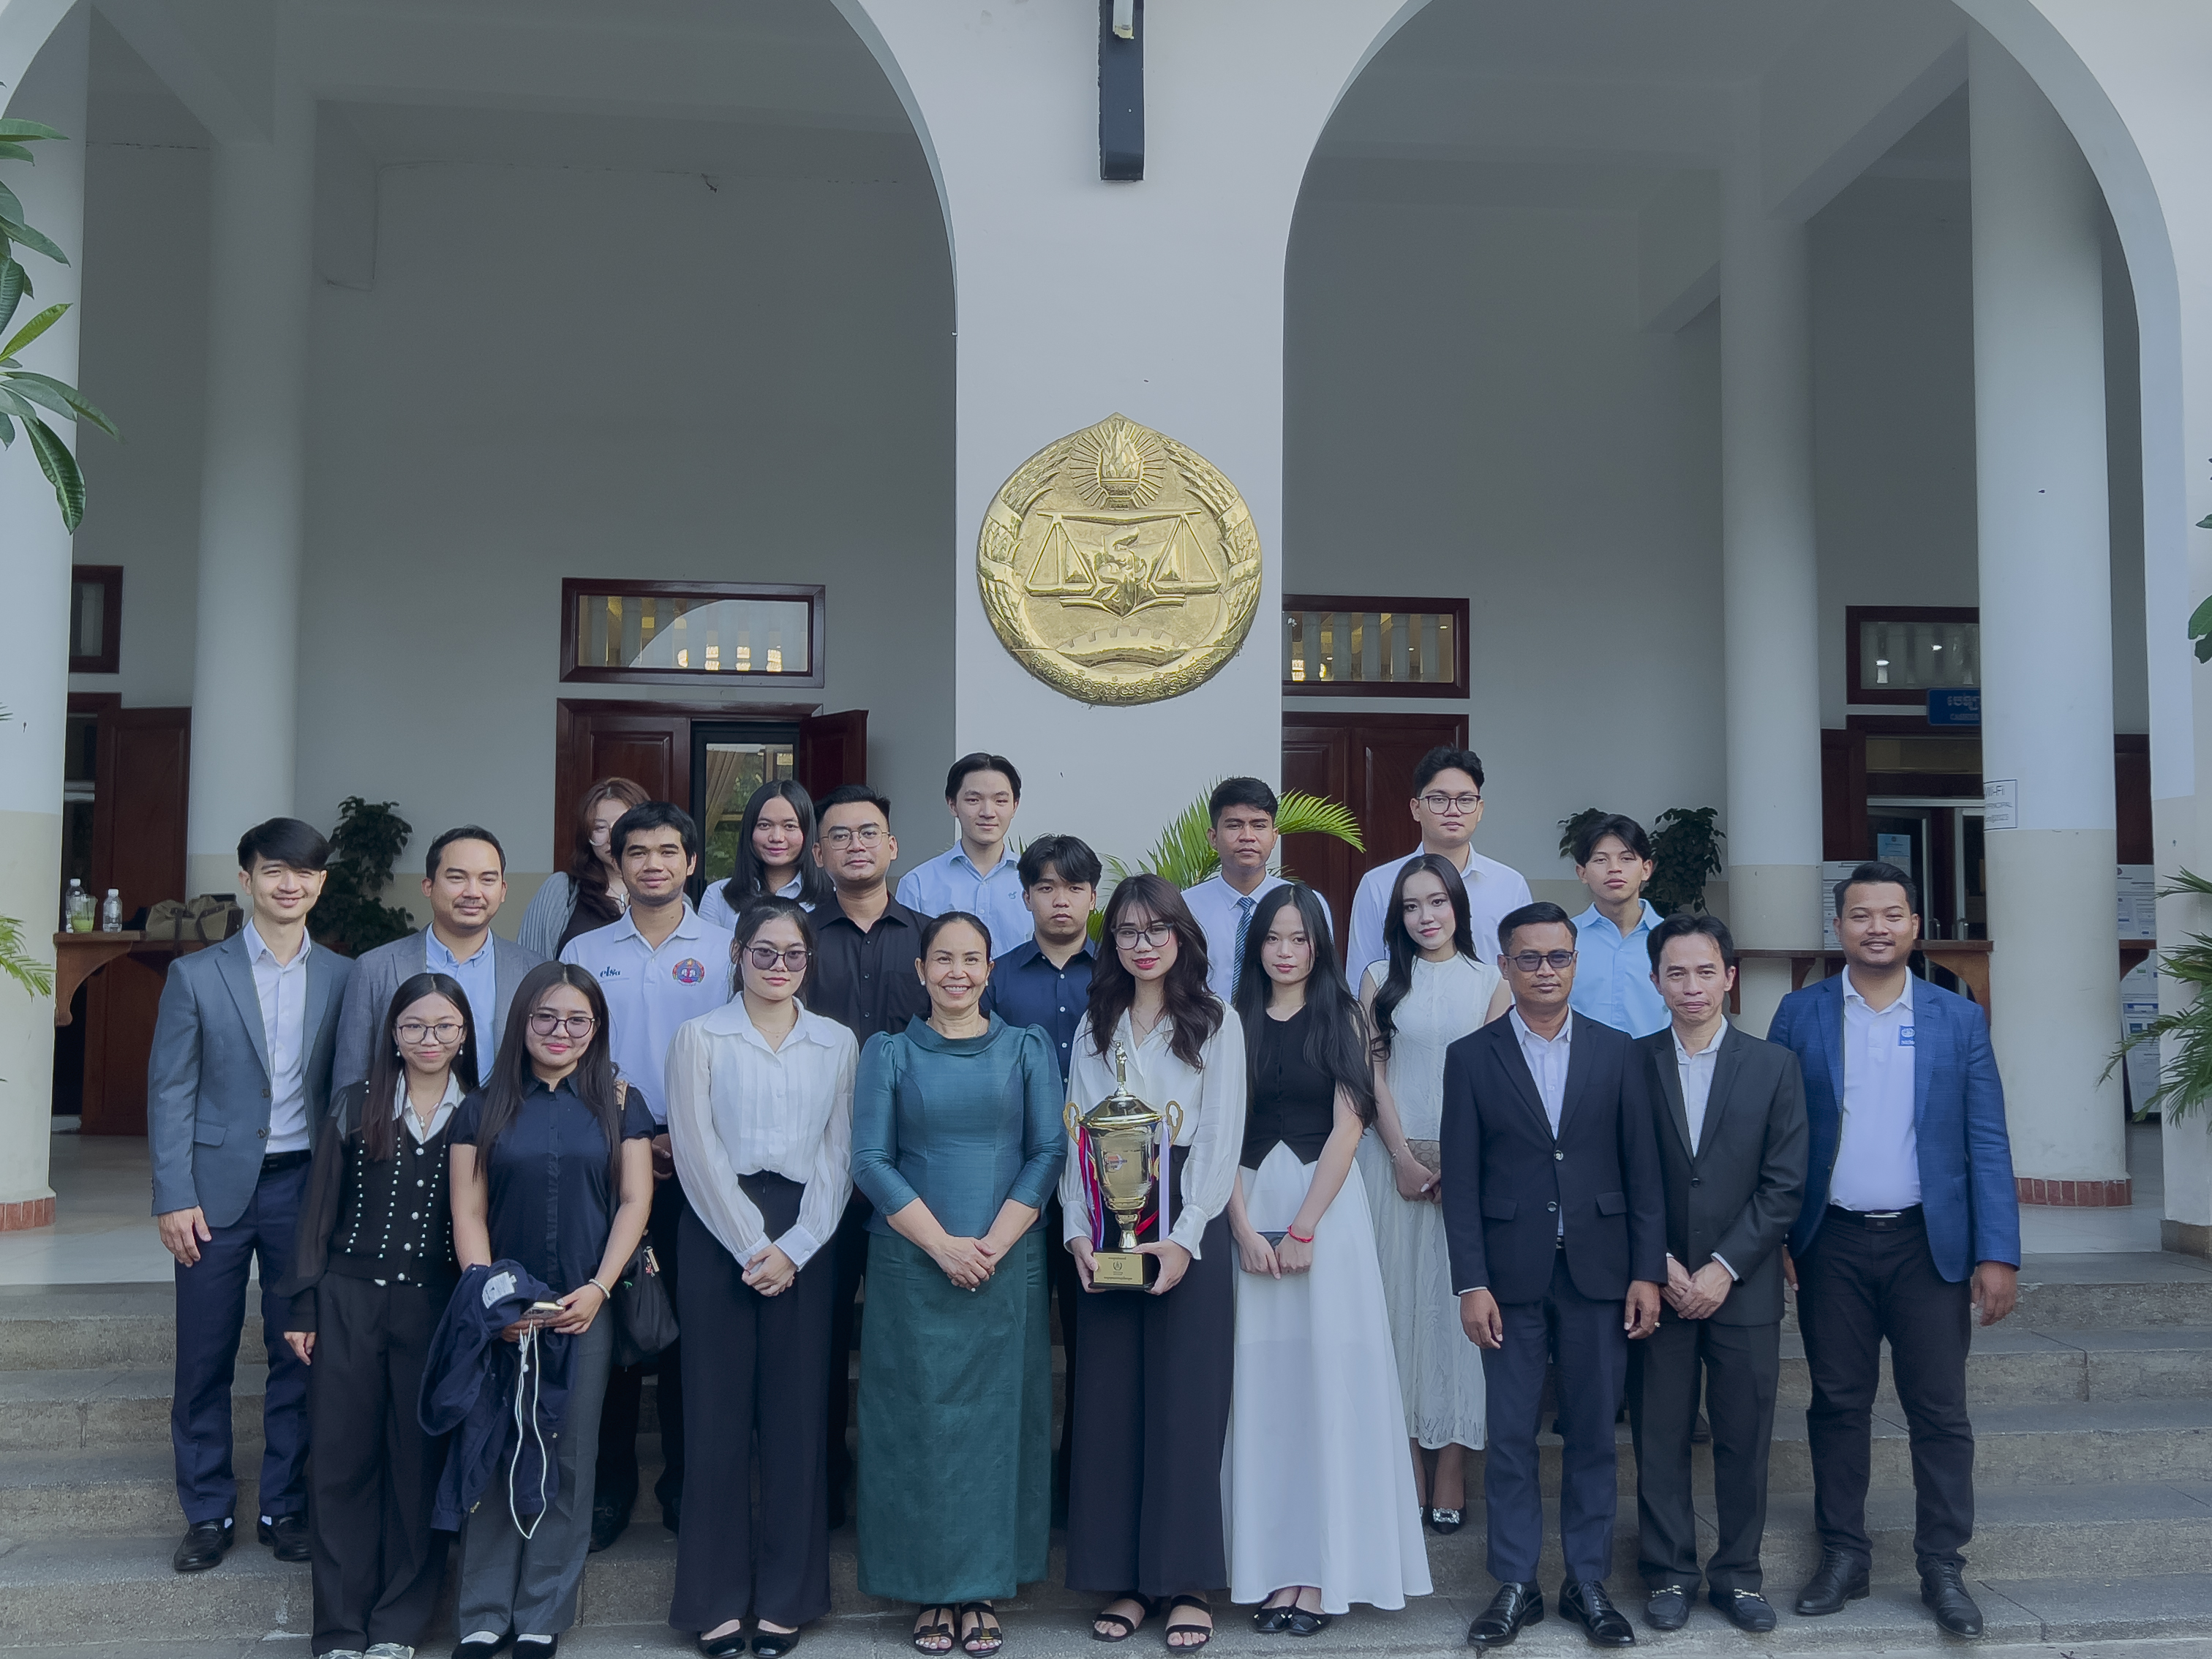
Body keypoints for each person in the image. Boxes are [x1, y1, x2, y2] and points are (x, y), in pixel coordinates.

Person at [1767, 862, 2020, 1639]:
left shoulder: (1957, 1018)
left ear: (1915, 925)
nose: (1876, 928)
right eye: (1860, 915)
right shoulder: (1800, 1013)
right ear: (1838, 927)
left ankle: (1942, 1565)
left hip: (1927, 1244)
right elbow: (1775, 1133)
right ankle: (1844, 1555)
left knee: (1939, 1411)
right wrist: (1779, 1234)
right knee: (1838, 1404)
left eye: (1891, 914)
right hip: (1831, 1241)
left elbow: (1986, 1139)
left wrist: (1998, 1253)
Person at [1440, 901, 1664, 1650]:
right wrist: (1470, 1281)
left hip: (1601, 1274)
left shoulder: (1618, 1051)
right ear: (1505, 966)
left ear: (1576, 962)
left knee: (1594, 1433)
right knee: (1510, 1435)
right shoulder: (1471, 1057)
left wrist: (1646, 1272)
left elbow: (1643, 1173)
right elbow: (1461, 1182)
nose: (1545, 971)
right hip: (1508, 1280)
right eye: (1529, 958)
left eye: (1558, 957)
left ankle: (1586, 1581)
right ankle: (1516, 1583)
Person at [851, 911, 1064, 1658]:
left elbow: (1047, 1150)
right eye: (943, 959)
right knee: (918, 1427)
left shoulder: (1026, 1048)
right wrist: (943, 1246)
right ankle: (929, 1590)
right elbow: (869, 1160)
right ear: (921, 970)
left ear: (989, 970)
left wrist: (993, 1244)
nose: (958, 973)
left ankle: (982, 1589)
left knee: (998, 1428)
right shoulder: (888, 1053)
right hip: (912, 1264)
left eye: (972, 960)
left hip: (1007, 1263)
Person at [149, 817, 354, 1574]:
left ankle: (283, 1505)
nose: (288, 884)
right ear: (247, 879)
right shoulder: (196, 976)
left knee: (297, 1351)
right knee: (203, 1356)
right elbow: (170, 1091)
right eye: (273, 871)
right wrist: (173, 1194)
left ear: (320, 884)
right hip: (211, 1194)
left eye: (303, 873)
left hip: (306, 1187)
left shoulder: (346, 977)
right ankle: (206, 1511)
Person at [1222, 883, 1429, 1628]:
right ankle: (1273, 1571)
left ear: (1320, 945)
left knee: (1328, 1389)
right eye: (1273, 938)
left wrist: (1305, 1227)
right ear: (1256, 946)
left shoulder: (1343, 1013)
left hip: (1327, 1215)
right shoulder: (1230, 1020)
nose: (1286, 951)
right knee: (1264, 1394)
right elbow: (1217, 1132)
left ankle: (1322, 1575)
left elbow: (1349, 1127)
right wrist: (1244, 1229)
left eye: (1299, 938)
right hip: (1246, 1207)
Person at [664, 898, 857, 1659]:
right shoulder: (701, 1036)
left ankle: (787, 1598)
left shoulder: (836, 1042)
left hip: (809, 1231)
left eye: (793, 954)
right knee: (714, 1420)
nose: (779, 966)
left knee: (797, 1420)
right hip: (718, 1229)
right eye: (764, 952)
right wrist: (753, 1244)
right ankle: (712, 1599)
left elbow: (841, 1152)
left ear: (809, 961)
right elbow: (695, 1149)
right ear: (736, 953)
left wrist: (798, 1245)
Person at [448, 960, 657, 1659]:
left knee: (568, 1455)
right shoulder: (483, 1105)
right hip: (504, 1312)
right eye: (546, 1017)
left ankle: (542, 1611)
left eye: (577, 1019)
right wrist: (491, 1302)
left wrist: (599, 1287)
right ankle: (483, 1612)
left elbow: (635, 1201)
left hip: (583, 1305)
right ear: (522, 1022)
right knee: (495, 1448)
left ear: (596, 1027)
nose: (560, 1031)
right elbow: (468, 1212)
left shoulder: (621, 1103)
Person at [1060, 874, 1246, 1653]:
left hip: (1185, 1214)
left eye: (1157, 929)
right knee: (1110, 1405)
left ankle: (1187, 1581)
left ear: (1181, 936)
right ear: (1113, 942)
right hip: (1107, 1209)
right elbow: (1077, 1130)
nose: (1143, 945)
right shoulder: (1094, 1022)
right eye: (1129, 932)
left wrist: (1186, 1234)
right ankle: (1126, 1579)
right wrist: (1077, 1230)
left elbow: (1223, 1137)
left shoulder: (1215, 1020)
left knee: (1185, 1404)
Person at [278, 971, 481, 1659]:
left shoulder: (481, 1110)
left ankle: (398, 1626)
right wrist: (303, 1302)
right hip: (347, 1300)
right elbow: (317, 1211)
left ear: (464, 1034)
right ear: (392, 1033)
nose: (429, 1039)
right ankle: (340, 1629)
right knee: (341, 1463)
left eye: (444, 1026)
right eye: (414, 1026)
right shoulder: (355, 1102)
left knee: (418, 1465)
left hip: (434, 1308)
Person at [560, 801, 736, 1550]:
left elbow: (739, 1051)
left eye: (669, 851)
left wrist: (680, 1137)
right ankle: (608, 1488)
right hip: (609, 1162)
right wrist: (634, 1136)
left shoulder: (729, 949)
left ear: (693, 863)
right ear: (618, 862)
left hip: (703, 1168)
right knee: (614, 1327)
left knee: (693, 1329)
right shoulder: (585, 948)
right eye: (638, 852)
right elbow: (572, 1050)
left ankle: (687, 1484)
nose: (654, 864)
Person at [1628, 914, 1807, 1635]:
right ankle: (1668, 1572)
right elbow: (1617, 1176)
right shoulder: (1629, 1064)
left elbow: (1784, 1184)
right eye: (1676, 973)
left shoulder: (1774, 1066)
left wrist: (1725, 1267)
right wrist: (1661, 1264)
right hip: (1658, 1287)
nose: (1692, 986)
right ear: (1655, 981)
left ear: (1729, 977)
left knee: (1743, 1437)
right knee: (1659, 1435)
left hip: (1744, 1286)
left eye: (1705, 971)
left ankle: (1739, 1576)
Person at [1353, 854, 1510, 1536]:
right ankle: (1406, 1459)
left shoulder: (1491, 981)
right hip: (1391, 1166)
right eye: (1412, 906)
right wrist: (1401, 1158)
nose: (1426, 916)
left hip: (1468, 1172)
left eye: (1438, 902)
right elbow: (1371, 1074)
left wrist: (1460, 1168)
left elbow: (1497, 1082)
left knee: (1456, 1318)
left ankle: (1452, 1462)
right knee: (1397, 1315)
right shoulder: (1378, 978)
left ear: (1458, 909)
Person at [805, 783, 932, 1527]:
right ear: (819, 854)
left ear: (892, 847)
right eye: (840, 835)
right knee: (818, 1340)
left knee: (907, 1337)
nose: (856, 845)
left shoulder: (932, 941)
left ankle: (902, 1491)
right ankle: (822, 1486)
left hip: (913, 1174)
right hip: (815, 1172)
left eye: (869, 833)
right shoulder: (791, 940)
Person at [978, 833, 1102, 1513]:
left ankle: (1081, 1488)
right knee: (1014, 1335)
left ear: (1093, 897)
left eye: (1074, 888)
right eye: (1047, 887)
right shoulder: (994, 978)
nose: (1061, 900)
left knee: (1092, 1337)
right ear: (1025, 897)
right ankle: (1012, 1488)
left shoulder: (1118, 975)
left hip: (1102, 1185)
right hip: (1014, 1183)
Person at [334, 825, 543, 1094]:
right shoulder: (375, 968)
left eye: (487, 880)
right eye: (457, 878)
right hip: (401, 1120)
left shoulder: (532, 970)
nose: (473, 892)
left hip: (504, 1119)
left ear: (503, 890)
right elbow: (350, 1080)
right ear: (428, 886)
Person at [1347, 746, 1532, 985]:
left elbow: (1525, 969)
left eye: (1465, 800)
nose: (1453, 811)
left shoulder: (1510, 885)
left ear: (1480, 810)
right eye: (1439, 799)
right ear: (1416, 809)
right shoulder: (1378, 885)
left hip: (1492, 1010)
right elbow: (1360, 978)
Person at [1181, 777, 1323, 1004]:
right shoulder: (1185, 908)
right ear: (1213, 838)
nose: (1247, 836)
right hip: (1205, 1025)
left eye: (1259, 825)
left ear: (1274, 837)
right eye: (1234, 825)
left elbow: (1323, 978)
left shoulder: (1307, 905)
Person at [895, 753, 1032, 956]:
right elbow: (906, 959)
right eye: (974, 800)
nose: (988, 812)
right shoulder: (918, 885)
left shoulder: (1035, 882)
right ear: (952, 805)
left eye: (1000, 800)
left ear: (1015, 806)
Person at [517, 775, 650, 959]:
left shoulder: (668, 893)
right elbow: (530, 964)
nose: (612, 838)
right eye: (600, 828)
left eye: (623, 825)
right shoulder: (563, 890)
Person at [1565, 813, 1668, 1040]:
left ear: (1646, 869)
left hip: (1655, 1059)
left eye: (1626, 858)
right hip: (1582, 1059)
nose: (1614, 869)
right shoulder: (1565, 939)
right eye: (1600, 860)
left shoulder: (1670, 939)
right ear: (1582, 873)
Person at [699, 779, 835, 929]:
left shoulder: (834, 897)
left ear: (807, 832)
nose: (777, 837)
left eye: (790, 826)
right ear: (749, 831)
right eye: (764, 825)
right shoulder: (719, 896)